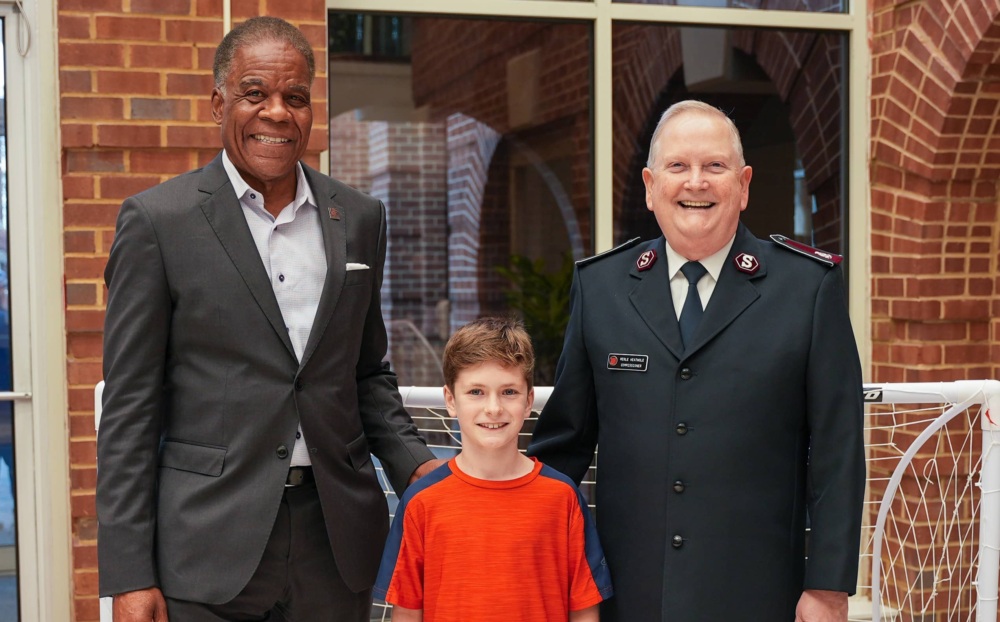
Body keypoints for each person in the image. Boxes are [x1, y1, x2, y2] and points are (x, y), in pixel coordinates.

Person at [97, 16, 443, 622]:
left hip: (334, 542)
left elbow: (365, 373)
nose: (277, 113)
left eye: (296, 97)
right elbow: (130, 408)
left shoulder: (359, 217)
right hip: (206, 545)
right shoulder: (158, 222)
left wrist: (421, 468)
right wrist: (129, 575)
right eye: (255, 93)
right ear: (218, 103)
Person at [528, 100, 865, 621]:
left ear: (744, 185)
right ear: (650, 186)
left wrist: (828, 586)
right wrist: (517, 546)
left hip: (757, 596)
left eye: (715, 166)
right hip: (627, 595)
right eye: (678, 166)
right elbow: (564, 446)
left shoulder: (807, 289)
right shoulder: (601, 288)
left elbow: (837, 451)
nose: (696, 182)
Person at [374, 317, 613, 622]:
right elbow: (407, 613)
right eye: (476, 392)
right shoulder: (421, 502)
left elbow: (584, 611)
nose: (493, 408)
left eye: (508, 392)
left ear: (529, 401)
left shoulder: (563, 498)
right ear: (450, 400)